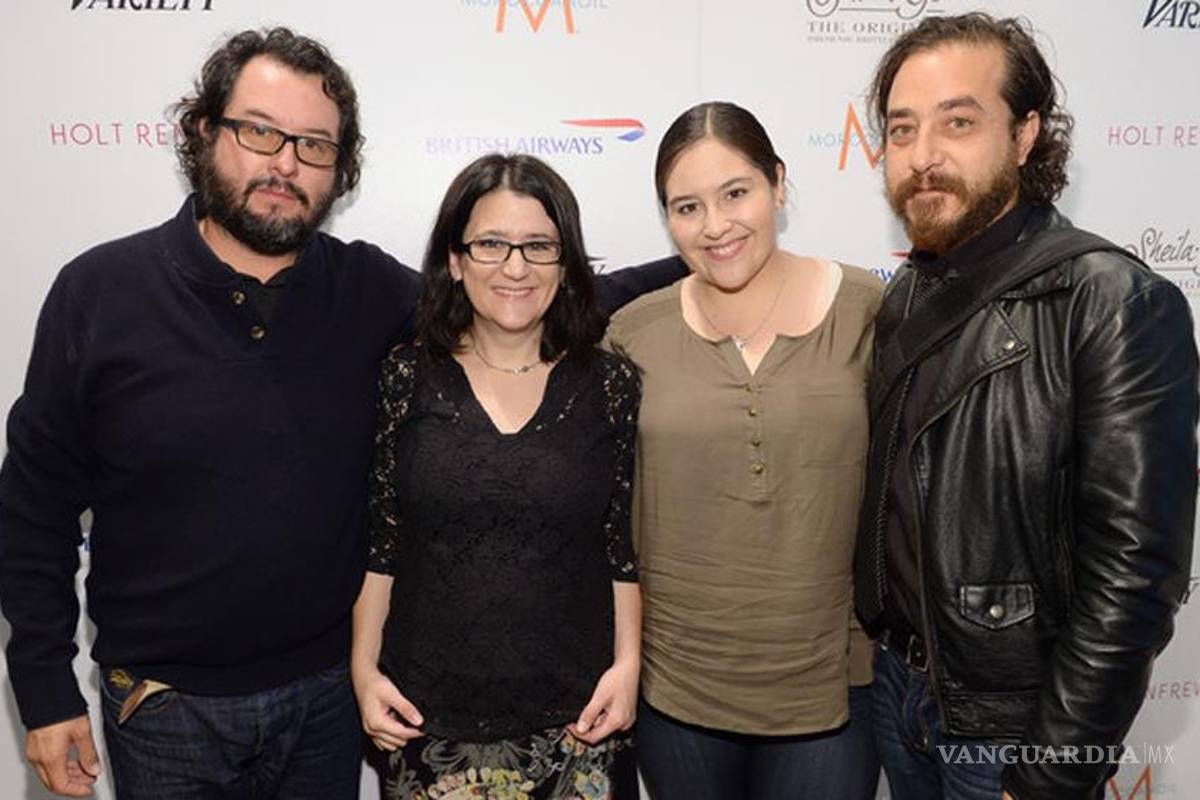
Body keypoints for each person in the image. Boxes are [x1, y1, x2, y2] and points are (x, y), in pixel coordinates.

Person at [0, 28, 683, 800]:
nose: (285, 163)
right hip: (164, 707)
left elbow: (516, 298)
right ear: (204, 131)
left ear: (340, 166)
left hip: (324, 701)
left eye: (314, 145)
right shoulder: (100, 292)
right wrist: (45, 689)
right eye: (259, 131)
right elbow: (34, 507)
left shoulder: (366, 292)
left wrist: (709, 249)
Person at [852, 12, 1198, 800]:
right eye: (901, 129)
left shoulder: (1111, 302)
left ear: (1025, 135)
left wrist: (1050, 773)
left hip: (1015, 728)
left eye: (958, 122)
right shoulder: (908, 296)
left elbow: (1136, 578)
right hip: (898, 694)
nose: (923, 155)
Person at [605, 101, 882, 799]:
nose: (716, 225)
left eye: (736, 193)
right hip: (677, 687)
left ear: (778, 184)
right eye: (687, 207)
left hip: (830, 689)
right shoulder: (632, 333)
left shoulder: (867, 308)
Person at [350, 153, 641, 799]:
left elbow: (619, 544)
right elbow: (383, 543)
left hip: (580, 720)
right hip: (426, 717)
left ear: (565, 264)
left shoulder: (610, 384)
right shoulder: (405, 377)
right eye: (490, 244)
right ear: (455, 260)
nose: (515, 267)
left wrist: (628, 667)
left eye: (539, 246)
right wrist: (363, 672)